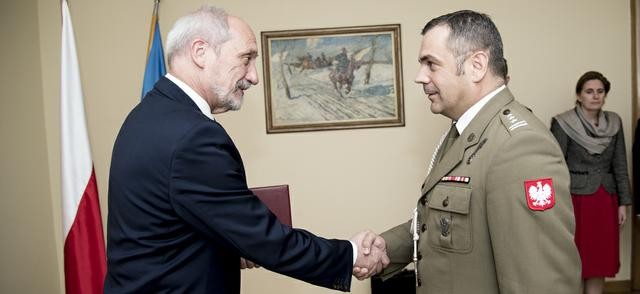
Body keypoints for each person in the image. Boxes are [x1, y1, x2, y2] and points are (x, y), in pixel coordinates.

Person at [104, 5, 388, 293]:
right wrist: (350, 254)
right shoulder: (193, 135)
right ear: (200, 52)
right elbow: (266, 239)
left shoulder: (148, 114)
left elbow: (169, 231)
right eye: (246, 59)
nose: (253, 77)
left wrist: (230, 245)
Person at [376, 10, 581, 293]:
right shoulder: (465, 130)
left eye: (431, 64)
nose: (419, 77)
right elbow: (443, 222)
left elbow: (539, 283)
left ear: (476, 65)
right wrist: (383, 249)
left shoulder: (518, 146)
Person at [551, 71, 632, 294]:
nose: (595, 96)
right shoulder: (563, 122)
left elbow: (620, 164)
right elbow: (555, 165)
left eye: (600, 91)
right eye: (589, 91)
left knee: (599, 261)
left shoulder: (614, 122)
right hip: (575, 200)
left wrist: (623, 203)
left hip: (606, 199)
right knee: (575, 259)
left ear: (605, 95)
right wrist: (558, 203)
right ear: (579, 95)